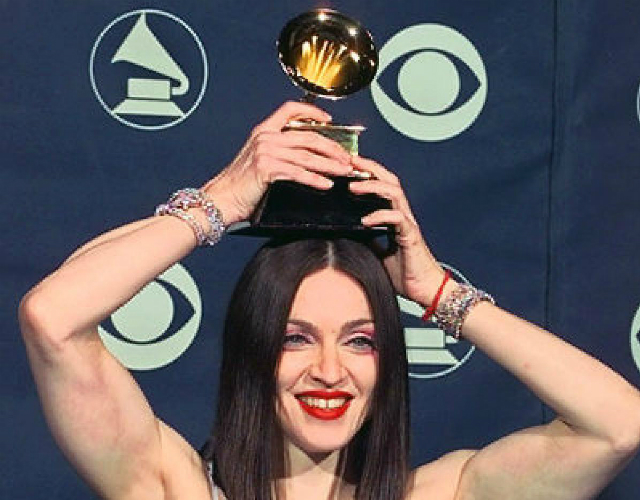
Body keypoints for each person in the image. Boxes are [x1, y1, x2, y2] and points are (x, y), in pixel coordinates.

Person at [19, 102, 640, 500]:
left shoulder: (443, 493)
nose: (329, 370)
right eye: (296, 337)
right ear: (253, 349)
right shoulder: (173, 485)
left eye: (360, 340)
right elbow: (54, 318)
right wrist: (222, 202)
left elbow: (618, 426)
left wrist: (435, 292)